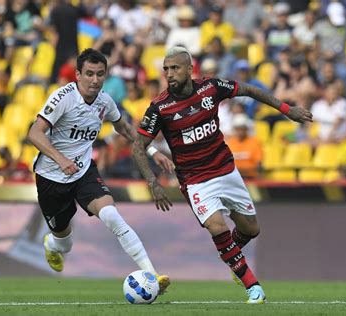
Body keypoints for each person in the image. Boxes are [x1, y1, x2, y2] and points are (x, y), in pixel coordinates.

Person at [132, 46, 313, 304]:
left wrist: (286, 109)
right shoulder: (160, 107)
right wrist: (153, 182)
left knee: (251, 229)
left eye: (175, 68)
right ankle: (253, 287)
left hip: (226, 170)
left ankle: (231, 255)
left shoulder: (211, 88)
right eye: (166, 69)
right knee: (217, 226)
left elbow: (248, 90)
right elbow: (138, 146)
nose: (169, 74)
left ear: (189, 68)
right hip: (195, 180)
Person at [27, 48, 172, 293]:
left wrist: (153, 151)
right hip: (51, 176)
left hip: (83, 172)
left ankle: (153, 275)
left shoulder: (105, 101)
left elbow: (125, 130)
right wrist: (60, 159)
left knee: (111, 215)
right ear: (78, 75)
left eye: (100, 74)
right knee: (64, 242)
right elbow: (34, 133)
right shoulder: (63, 98)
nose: (95, 80)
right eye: (90, 74)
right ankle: (53, 245)